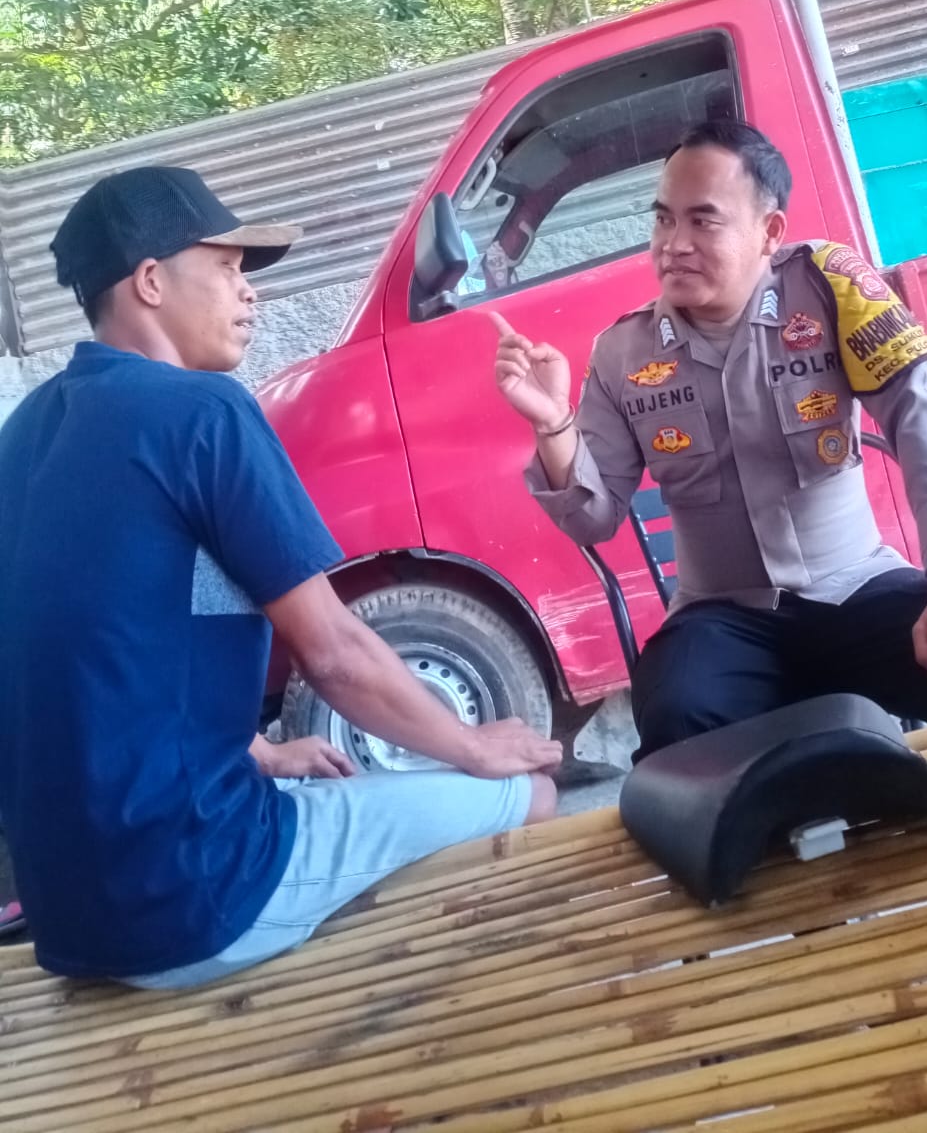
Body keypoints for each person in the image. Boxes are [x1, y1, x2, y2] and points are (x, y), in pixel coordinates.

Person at [0, 166, 559, 989]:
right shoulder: (202, 411)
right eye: (226, 267)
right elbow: (332, 652)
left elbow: (100, 643)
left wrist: (258, 750)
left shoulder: (23, 433)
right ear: (150, 281)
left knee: (340, 793)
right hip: (194, 897)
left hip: (69, 918)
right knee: (532, 795)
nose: (249, 291)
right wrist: (474, 744)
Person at [492, 119, 927, 760]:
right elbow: (593, 518)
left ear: (770, 232)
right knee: (677, 722)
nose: (674, 245)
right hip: (722, 617)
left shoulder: (832, 289)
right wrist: (552, 422)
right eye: (664, 220)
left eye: (704, 221)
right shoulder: (622, 353)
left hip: (856, 587)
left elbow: (923, 420)